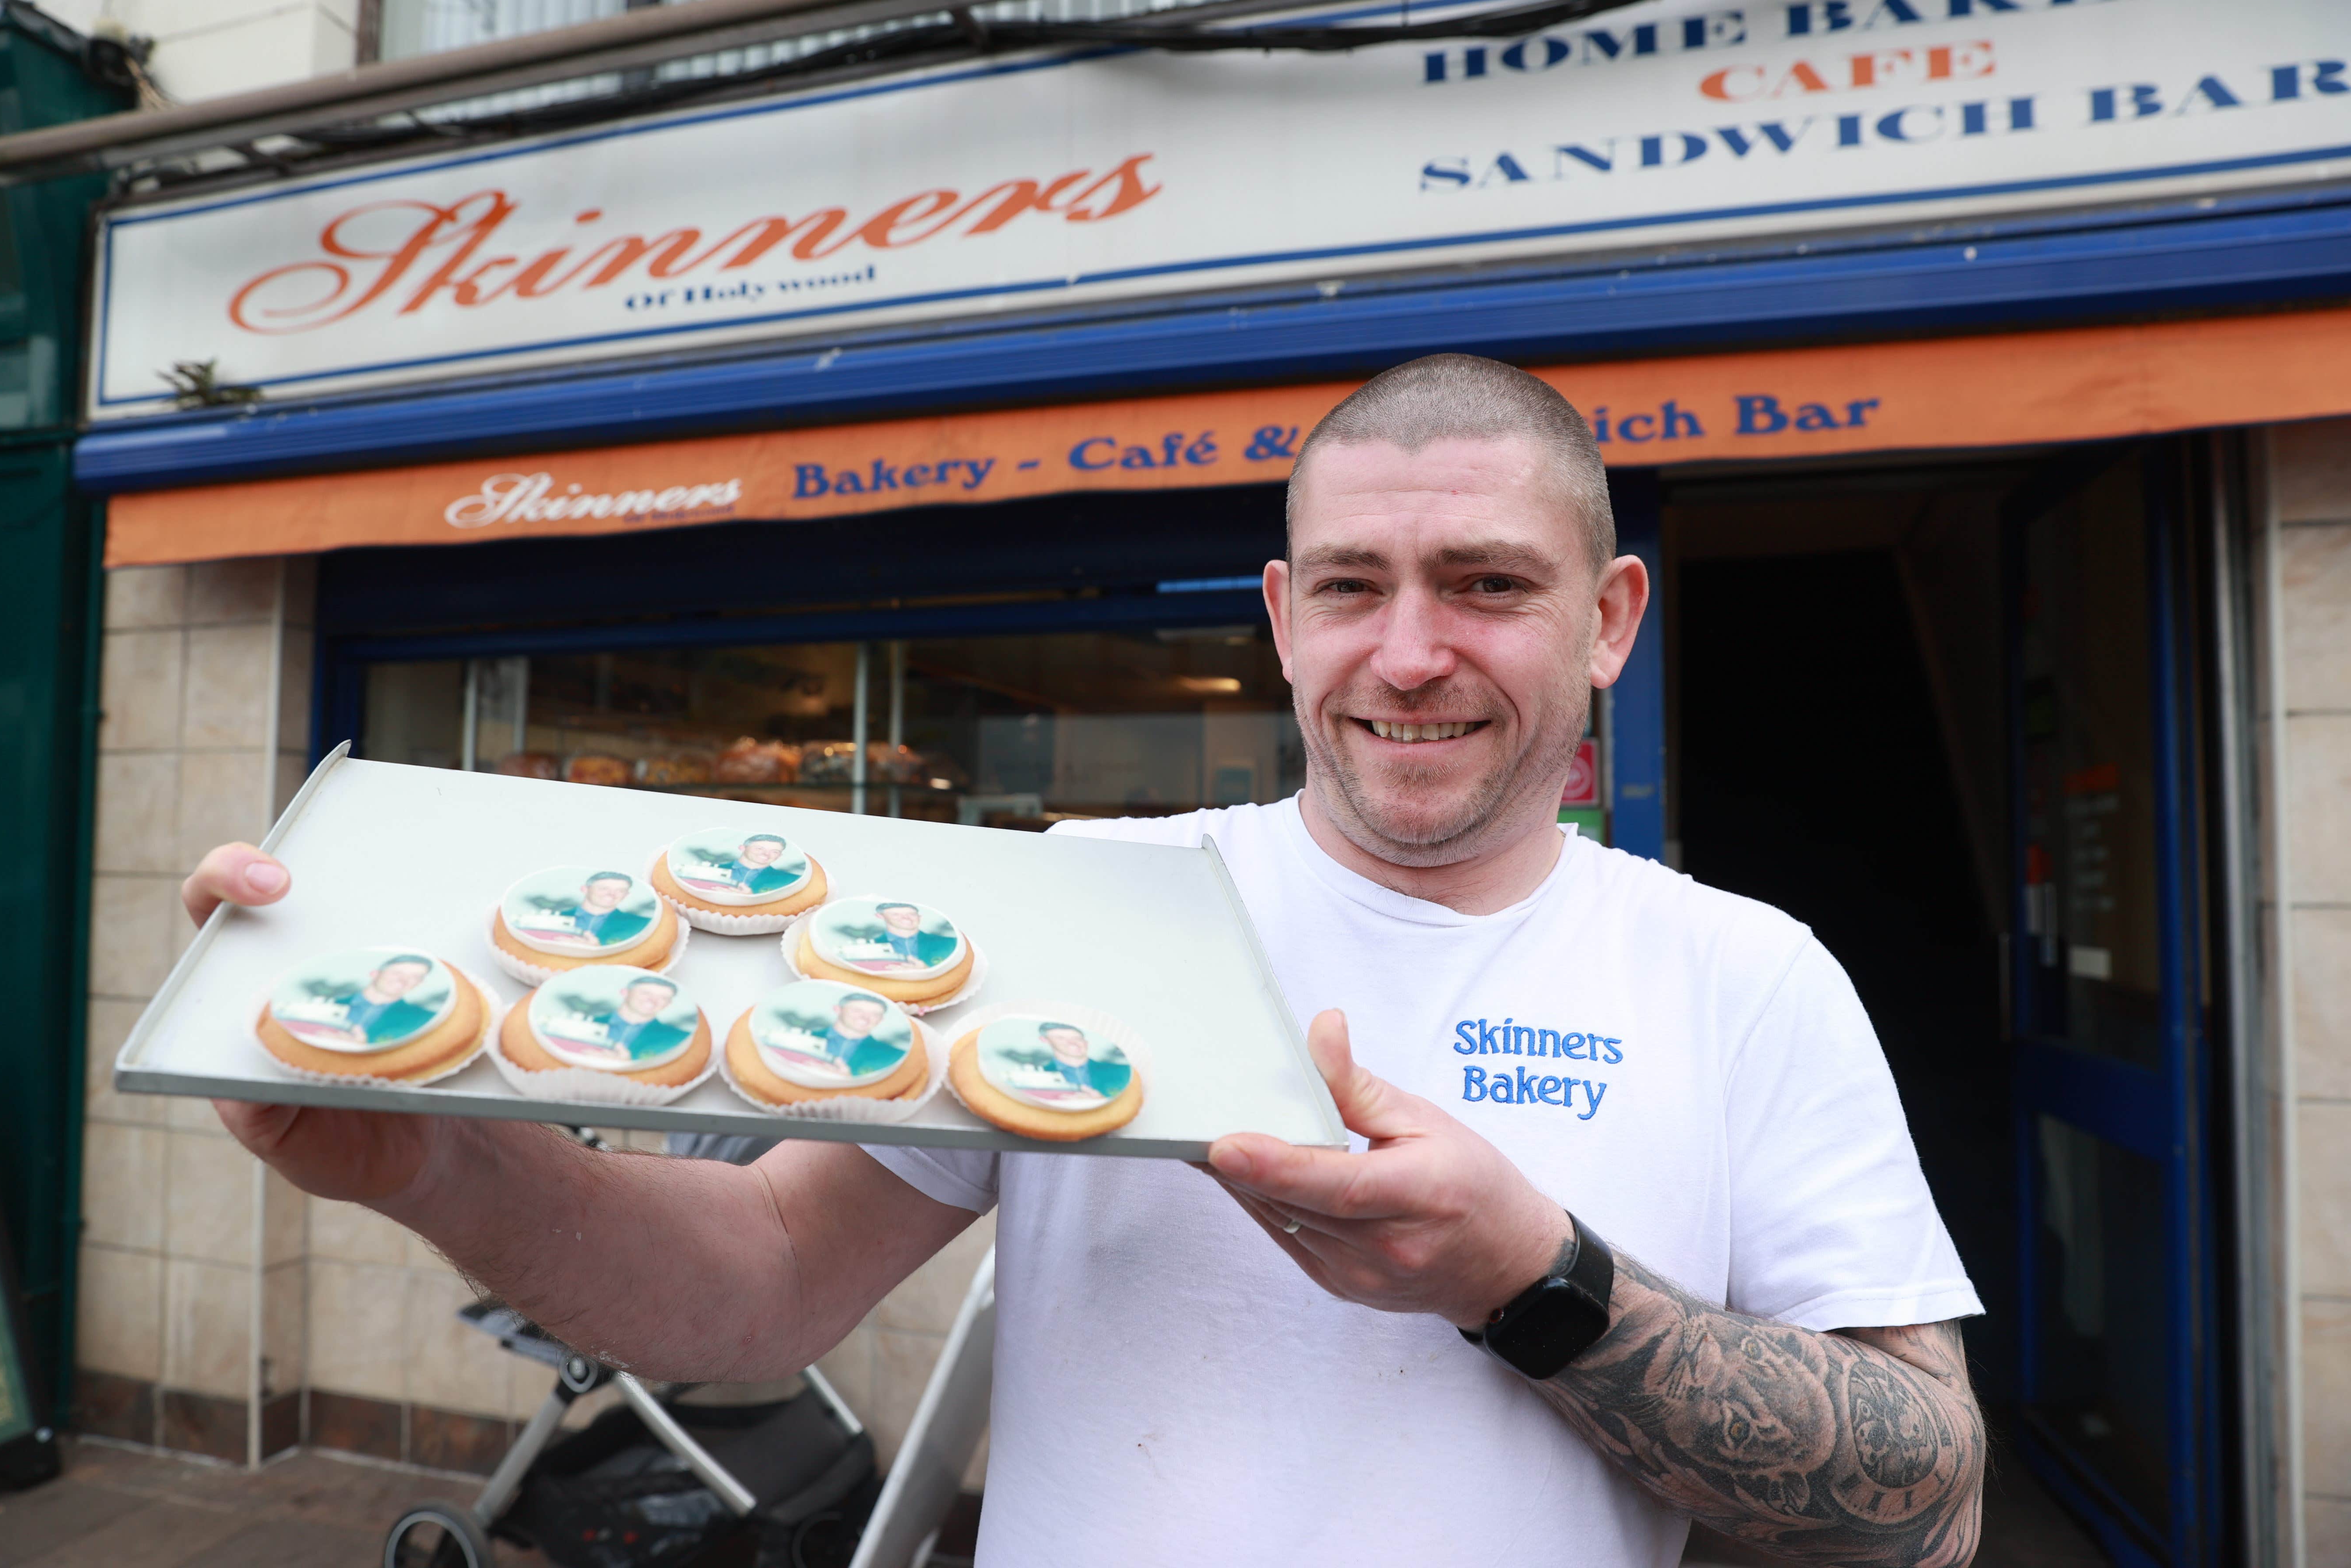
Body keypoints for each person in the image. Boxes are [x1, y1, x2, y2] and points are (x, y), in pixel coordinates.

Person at [193, 354, 1984, 1568]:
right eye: (1354, 585)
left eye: (1489, 586)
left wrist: (1530, 1278)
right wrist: (441, 1158)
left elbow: (1929, 1501)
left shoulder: (1746, 974)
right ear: (1284, 624)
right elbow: (755, 1292)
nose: (1412, 649)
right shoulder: (1098, 903)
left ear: (1608, 624)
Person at [338, 955, 437, 1043]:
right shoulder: (330, 1004)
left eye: (415, 977)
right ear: (375, 974)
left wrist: (365, 1049)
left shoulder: (427, 1021)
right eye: (397, 973)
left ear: (420, 983)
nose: (403, 981)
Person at [570, 871, 650, 945]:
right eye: (604, 888)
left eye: (620, 891)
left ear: (626, 895)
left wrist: (599, 951)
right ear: (585, 889)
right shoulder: (559, 916)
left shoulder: (643, 925)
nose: (611, 894)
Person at [871, 901, 958, 967]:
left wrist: (929, 972)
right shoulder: (869, 948)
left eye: (911, 914)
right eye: (896, 914)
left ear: (920, 917)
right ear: (880, 916)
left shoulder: (951, 944)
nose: (906, 918)